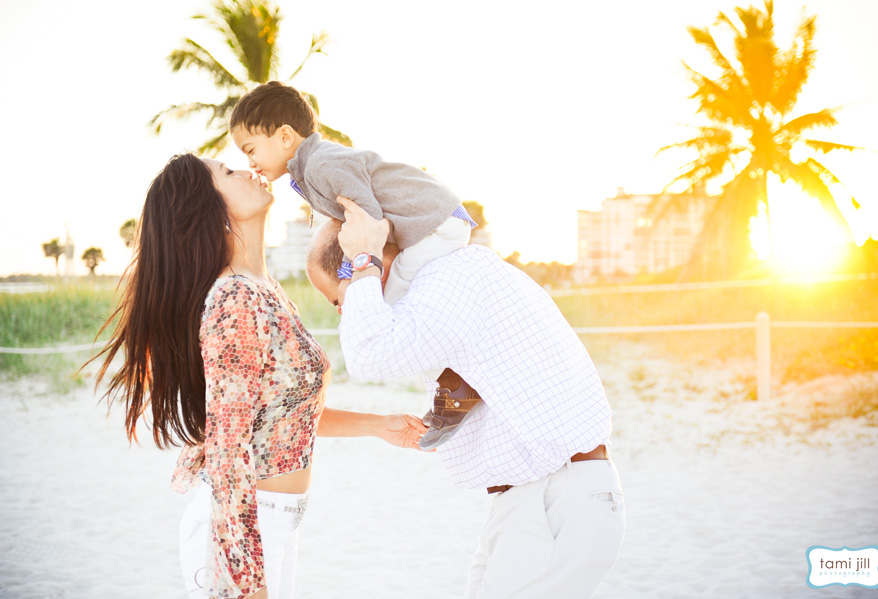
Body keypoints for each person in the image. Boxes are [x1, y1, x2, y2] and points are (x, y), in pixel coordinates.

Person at [90, 154, 426, 599]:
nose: (247, 170)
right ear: (207, 206)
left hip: (277, 524)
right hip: (243, 530)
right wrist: (245, 580)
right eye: (228, 173)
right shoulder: (234, 298)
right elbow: (230, 455)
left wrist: (377, 425)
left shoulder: (263, 289)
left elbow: (276, 415)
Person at [306, 200, 626, 599]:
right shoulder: (449, 282)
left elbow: (368, 354)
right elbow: (476, 381)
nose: (343, 315)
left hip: (556, 496)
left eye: (338, 301)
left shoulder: (451, 279)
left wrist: (364, 260)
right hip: (536, 498)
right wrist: (429, 426)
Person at [228, 80, 482, 446]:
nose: (249, 163)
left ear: (285, 136)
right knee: (397, 304)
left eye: (251, 149)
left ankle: (458, 386)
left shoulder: (321, 165)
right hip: (434, 222)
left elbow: (368, 218)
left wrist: (352, 275)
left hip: (435, 224)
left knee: (393, 306)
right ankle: (455, 384)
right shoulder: (313, 168)